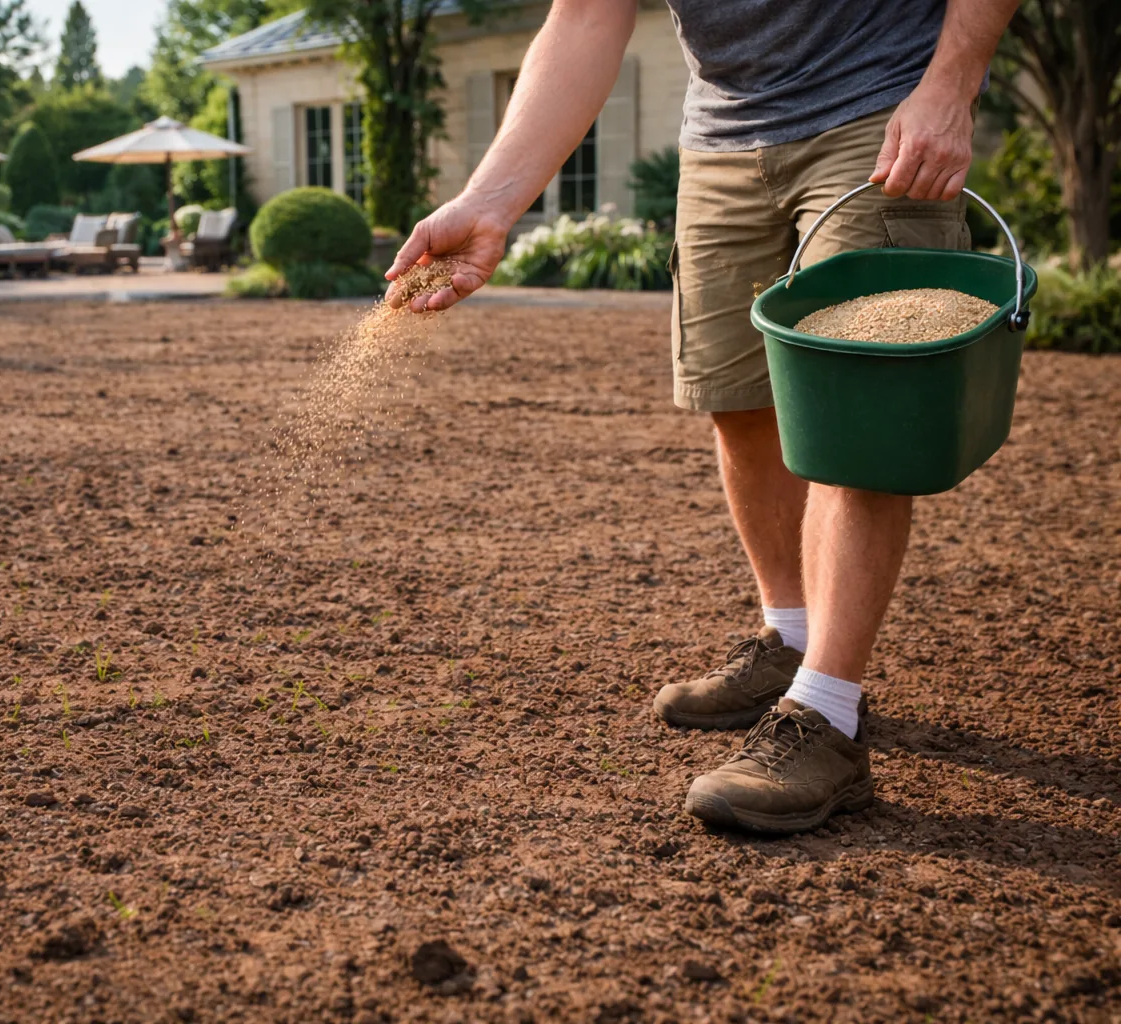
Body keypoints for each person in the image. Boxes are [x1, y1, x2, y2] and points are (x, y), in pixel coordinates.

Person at [387, 0, 1021, 835]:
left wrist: (951, 85)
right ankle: (790, 637)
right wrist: (492, 201)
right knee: (739, 401)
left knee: (854, 420)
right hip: (722, 136)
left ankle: (826, 716)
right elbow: (584, 18)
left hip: (879, 115)